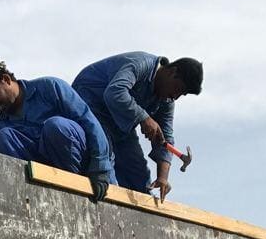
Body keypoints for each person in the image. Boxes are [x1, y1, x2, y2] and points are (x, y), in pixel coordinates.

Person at [0, 58, 115, 202]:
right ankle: (35, 195)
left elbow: (90, 122)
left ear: (6, 79)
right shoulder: (2, 127)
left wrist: (101, 169)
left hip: (90, 171)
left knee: (55, 126)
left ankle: (77, 183)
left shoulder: (50, 88)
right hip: (51, 183)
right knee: (3, 137)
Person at [72, 53, 202, 200]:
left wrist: (162, 178)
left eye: (181, 94)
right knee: (106, 167)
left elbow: (165, 137)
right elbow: (115, 92)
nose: (175, 96)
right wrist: (144, 118)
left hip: (118, 128)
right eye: (177, 88)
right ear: (172, 72)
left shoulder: (166, 99)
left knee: (140, 178)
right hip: (90, 109)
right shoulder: (140, 64)